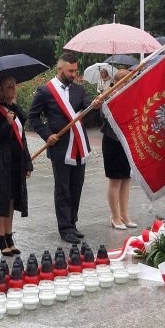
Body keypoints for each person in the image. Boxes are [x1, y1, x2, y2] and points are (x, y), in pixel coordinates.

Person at [28, 53, 102, 245]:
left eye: (75, 71)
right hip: (60, 147)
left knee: (76, 187)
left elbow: (88, 114)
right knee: (63, 189)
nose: (74, 74)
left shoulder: (79, 90)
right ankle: (64, 228)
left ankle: (72, 223)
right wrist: (46, 134)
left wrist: (95, 106)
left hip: (79, 147)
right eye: (70, 71)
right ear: (59, 69)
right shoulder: (45, 91)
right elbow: (33, 117)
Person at [0, 76, 33, 256]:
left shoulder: (16, 109)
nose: (14, 90)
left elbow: (22, 138)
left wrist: (27, 162)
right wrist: (7, 125)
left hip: (16, 162)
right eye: (9, 87)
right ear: (0, 91)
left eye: (14, 86)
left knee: (11, 199)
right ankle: (1, 238)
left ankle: (9, 236)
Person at [102, 69, 137, 230]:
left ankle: (124, 214)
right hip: (112, 142)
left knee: (126, 179)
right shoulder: (108, 97)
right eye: (126, 81)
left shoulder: (132, 95)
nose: (129, 84)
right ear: (116, 83)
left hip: (126, 142)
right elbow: (105, 117)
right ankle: (114, 216)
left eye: (130, 81)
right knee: (115, 180)